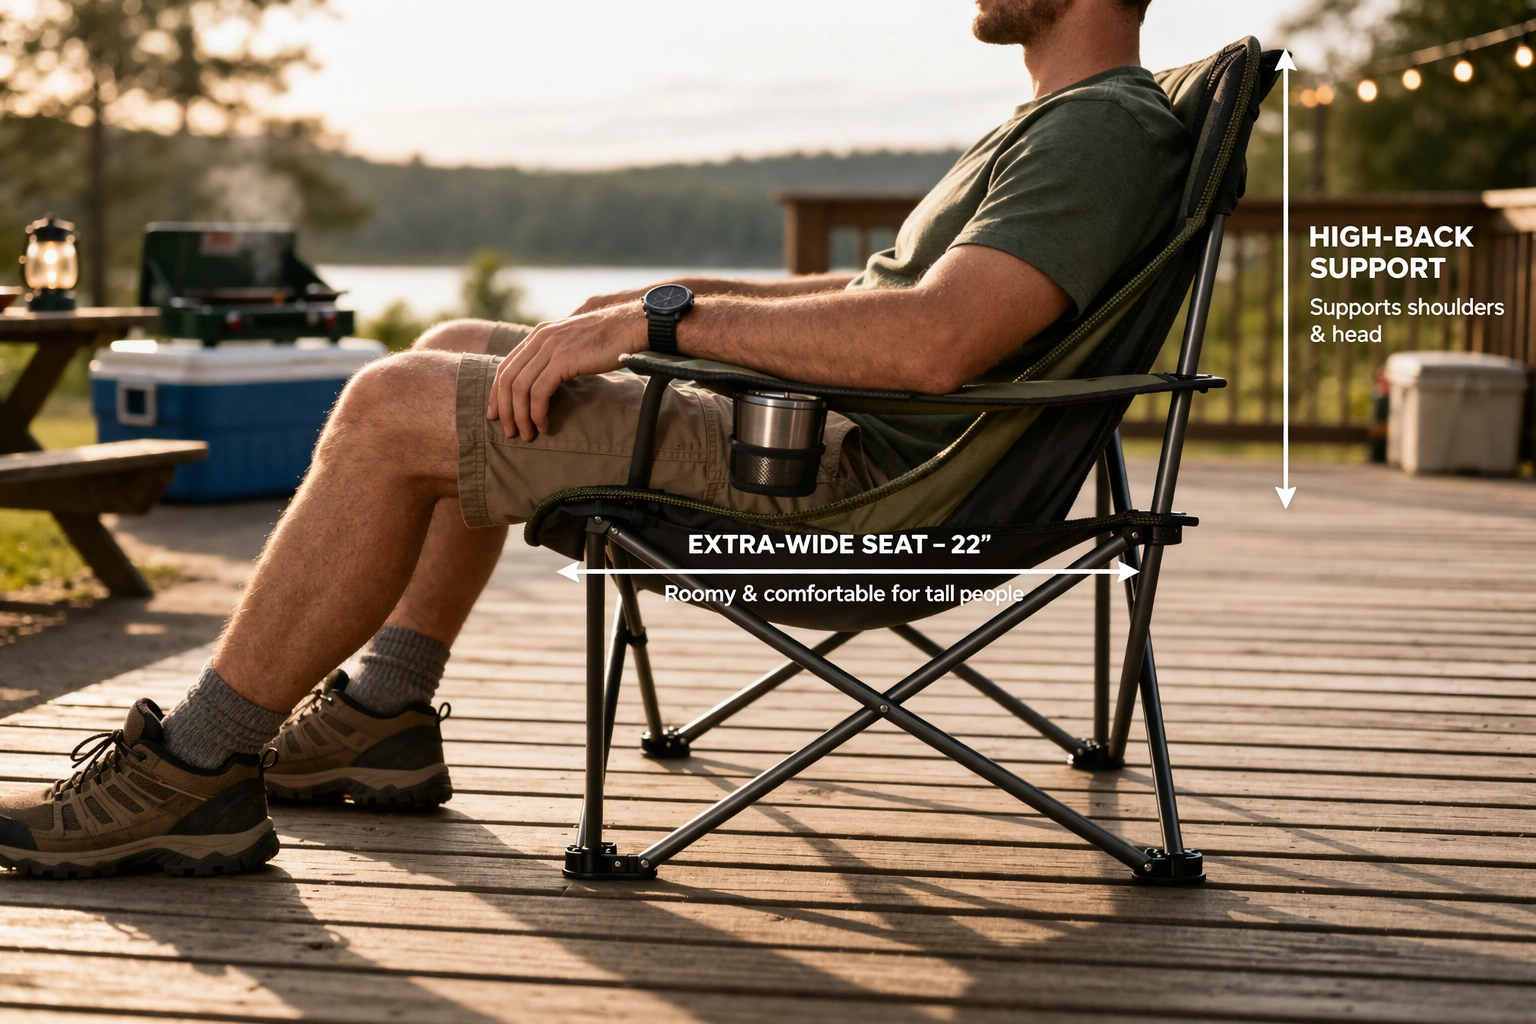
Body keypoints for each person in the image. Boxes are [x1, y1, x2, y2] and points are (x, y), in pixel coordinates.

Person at [0, 0, 1185, 878]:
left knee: (388, 409)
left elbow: (931, 342)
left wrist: (662, 322)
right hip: (843, 446)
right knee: (471, 342)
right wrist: (662, 296)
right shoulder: (1058, 122)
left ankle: (195, 772)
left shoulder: (1096, 134)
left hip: (850, 487)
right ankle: (384, 717)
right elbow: (877, 287)